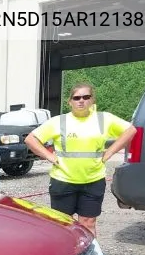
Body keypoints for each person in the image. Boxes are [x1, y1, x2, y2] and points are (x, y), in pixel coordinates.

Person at [24, 82, 137, 237]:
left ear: (92, 100)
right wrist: (49, 156)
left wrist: (111, 151)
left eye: (86, 97)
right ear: (70, 102)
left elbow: (131, 130)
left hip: (93, 180)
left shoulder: (104, 119)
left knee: (88, 223)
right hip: (63, 180)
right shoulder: (59, 121)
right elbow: (31, 139)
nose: (81, 100)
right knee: (64, 224)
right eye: (77, 98)